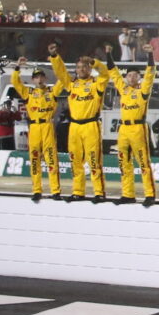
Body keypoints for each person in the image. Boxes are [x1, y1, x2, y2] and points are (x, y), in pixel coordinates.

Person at [51, 47, 115, 202]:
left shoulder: (96, 83)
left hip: (91, 125)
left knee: (94, 160)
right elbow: (60, 73)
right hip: (74, 127)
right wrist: (54, 56)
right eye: (78, 67)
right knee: (75, 161)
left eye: (84, 66)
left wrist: (94, 62)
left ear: (89, 68)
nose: (81, 69)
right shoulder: (72, 84)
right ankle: (78, 191)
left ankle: (99, 192)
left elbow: (105, 73)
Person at [10, 61, 61, 201]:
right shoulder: (28, 92)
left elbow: (63, 80)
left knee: (51, 159)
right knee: (34, 160)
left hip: (47, 127)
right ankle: (36, 190)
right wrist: (17, 68)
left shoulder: (52, 91)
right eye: (36, 77)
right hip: (34, 128)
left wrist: (57, 64)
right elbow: (15, 82)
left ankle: (55, 190)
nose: (39, 79)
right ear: (33, 79)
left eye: (41, 77)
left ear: (45, 78)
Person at [114, 64, 156, 204]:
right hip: (123, 128)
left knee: (143, 162)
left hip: (138, 127)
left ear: (139, 77)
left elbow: (150, 76)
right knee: (123, 163)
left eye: (135, 75)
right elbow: (114, 74)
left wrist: (150, 55)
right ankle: (127, 194)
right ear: (126, 77)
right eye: (129, 75)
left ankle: (149, 194)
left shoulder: (143, 90)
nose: (131, 78)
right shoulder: (123, 89)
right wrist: (108, 55)